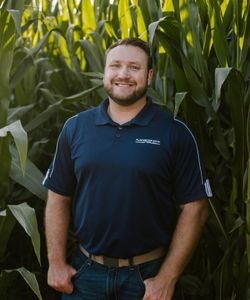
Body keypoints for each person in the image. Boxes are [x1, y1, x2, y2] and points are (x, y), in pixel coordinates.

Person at [43, 37, 212, 300]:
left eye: (134, 67)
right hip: (85, 275)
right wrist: (55, 262)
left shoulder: (174, 133)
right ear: (105, 73)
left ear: (150, 75)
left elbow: (196, 208)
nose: (123, 74)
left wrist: (167, 279)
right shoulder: (75, 128)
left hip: (146, 280)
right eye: (115, 66)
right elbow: (57, 197)